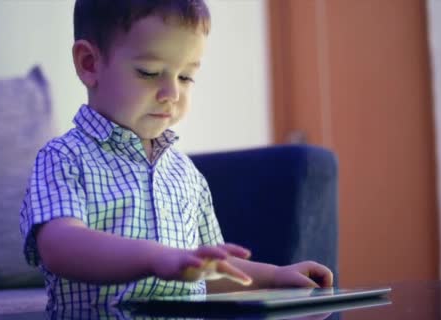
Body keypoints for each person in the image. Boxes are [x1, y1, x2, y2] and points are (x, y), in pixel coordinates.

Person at [20, 0, 333, 311]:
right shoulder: (63, 157)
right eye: (150, 72)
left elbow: (206, 272)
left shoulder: (186, 173)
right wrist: (157, 257)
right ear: (90, 63)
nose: (171, 93)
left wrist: (276, 277)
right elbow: (59, 246)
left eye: (185, 77)